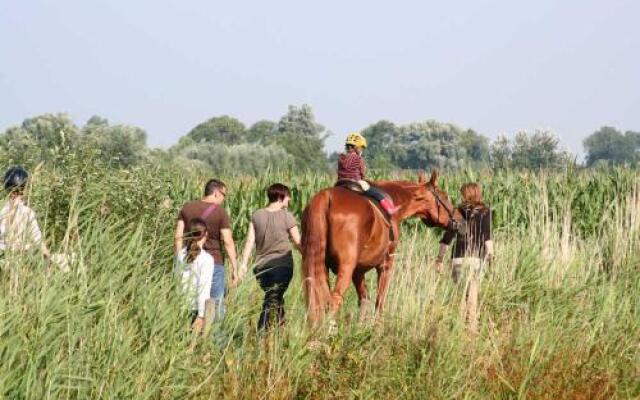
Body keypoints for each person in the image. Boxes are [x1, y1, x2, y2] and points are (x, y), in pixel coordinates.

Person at [239, 183, 302, 331]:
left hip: (261, 268)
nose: (289, 200)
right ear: (281, 197)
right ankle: (261, 334)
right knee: (271, 300)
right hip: (282, 266)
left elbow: (250, 241)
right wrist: (310, 258)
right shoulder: (287, 216)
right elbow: (298, 242)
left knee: (274, 296)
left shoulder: (256, 215)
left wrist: (243, 264)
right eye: (287, 197)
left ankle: (280, 331)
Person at [174, 179, 238, 322]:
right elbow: (227, 241)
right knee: (215, 305)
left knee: (189, 302)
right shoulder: (220, 212)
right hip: (215, 262)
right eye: (223, 195)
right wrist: (235, 267)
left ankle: (188, 336)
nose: (223, 199)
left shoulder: (187, 208)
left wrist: (179, 259)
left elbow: (178, 236)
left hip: (188, 259)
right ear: (216, 193)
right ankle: (214, 340)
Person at [434, 182, 493, 334]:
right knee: (472, 292)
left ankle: (458, 329)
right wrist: (490, 256)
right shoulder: (485, 212)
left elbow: (447, 238)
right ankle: (471, 328)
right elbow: (487, 237)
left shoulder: (457, 212)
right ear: (477, 193)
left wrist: (439, 259)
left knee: (461, 294)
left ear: (464, 195)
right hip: (475, 259)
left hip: (457, 259)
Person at [336, 132, 399, 215]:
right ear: (356, 147)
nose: (361, 149)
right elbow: (362, 173)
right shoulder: (358, 158)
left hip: (341, 182)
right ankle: (389, 209)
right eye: (361, 147)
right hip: (355, 182)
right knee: (376, 193)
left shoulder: (341, 158)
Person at [0, 166, 50, 258]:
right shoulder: (27, 212)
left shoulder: (2, 209)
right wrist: (48, 260)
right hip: (21, 258)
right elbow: (38, 241)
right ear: (25, 189)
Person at [176, 218, 214, 334]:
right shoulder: (206, 259)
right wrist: (201, 315)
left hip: (180, 307)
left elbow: (177, 281)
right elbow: (203, 288)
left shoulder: (180, 255)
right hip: (196, 309)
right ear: (205, 235)